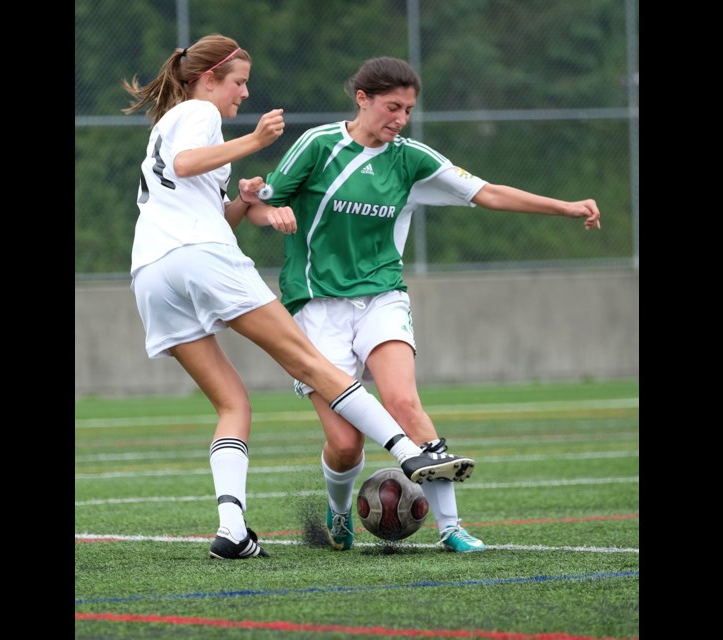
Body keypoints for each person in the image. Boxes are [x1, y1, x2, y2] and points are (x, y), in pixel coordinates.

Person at [121, 39, 475, 561]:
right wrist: (255, 140)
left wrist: (242, 202)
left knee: (231, 403)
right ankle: (411, 452)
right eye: (239, 81)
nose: (245, 92)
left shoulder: (167, 121)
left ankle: (233, 531)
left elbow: (204, 203)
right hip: (200, 256)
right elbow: (189, 161)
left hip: (151, 270)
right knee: (310, 362)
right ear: (209, 78)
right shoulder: (197, 111)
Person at [247, 56, 601, 553]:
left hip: (381, 298)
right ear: (362, 99)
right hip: (313, 307)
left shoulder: (411, 158)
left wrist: (565, 207)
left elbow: (489, 193)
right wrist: (273, 213)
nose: (401, 119)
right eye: (393, 107)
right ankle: (339, 510)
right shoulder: (319, 145)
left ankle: (452, 527)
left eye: (409, 110)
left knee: (404, 402)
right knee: (346, 444)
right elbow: (258, 203)